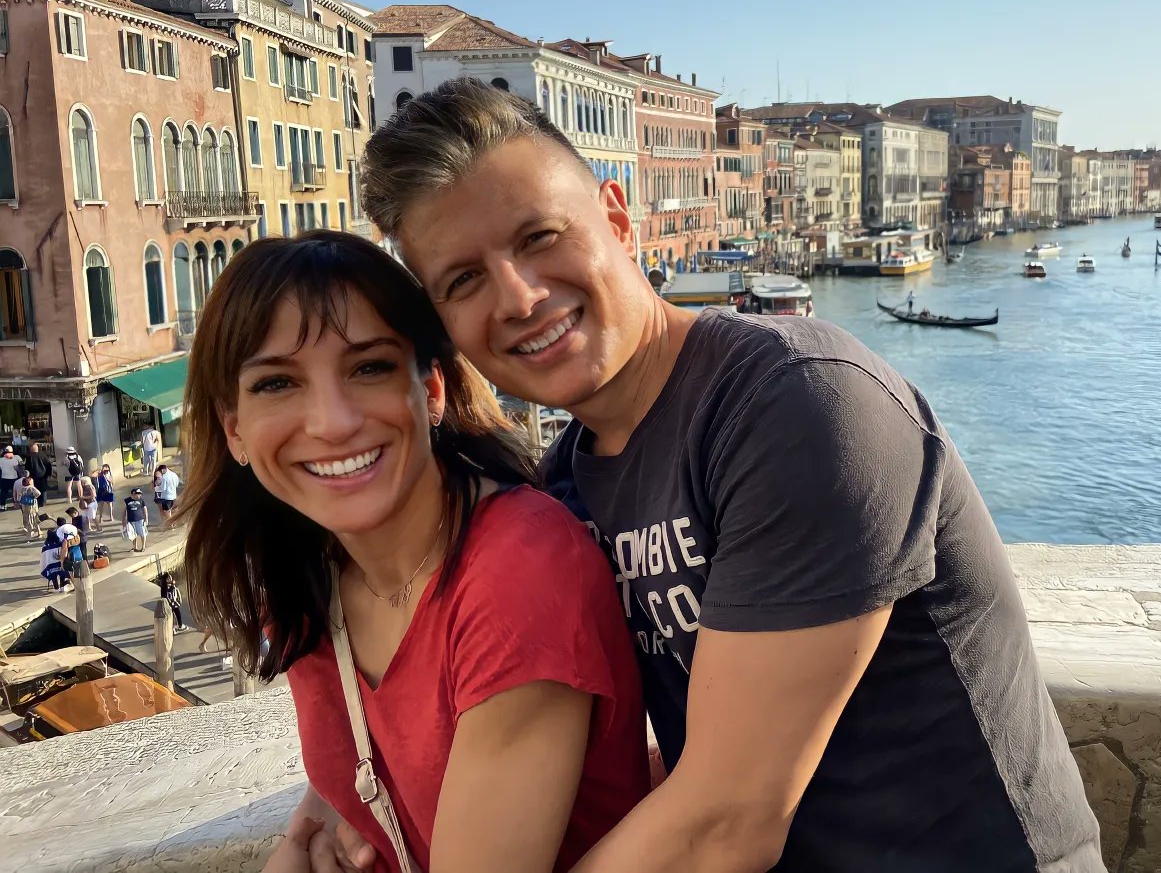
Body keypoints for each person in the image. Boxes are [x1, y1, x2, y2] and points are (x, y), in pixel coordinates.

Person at [353, 79, 1104, 872]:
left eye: (539, 236)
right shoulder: (564, 486)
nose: (520, 296)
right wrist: (346, 798)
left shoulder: (800, 405)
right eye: (463, 280)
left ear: (616, 217)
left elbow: (726, 822)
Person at [181, 231, 648, 873]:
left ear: (431, 392)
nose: (333, 422)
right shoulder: (310, 571)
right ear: (234, 430)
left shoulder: (520, 572)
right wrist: (311, 825)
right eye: (277, 384)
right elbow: (372, 744)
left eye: (368, 367)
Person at [39, 526, 70, 593]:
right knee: (62, 573)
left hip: (51, 563)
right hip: (60, 562)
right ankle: (62, 587)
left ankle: (56, 588)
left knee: (53, 575)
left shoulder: (46, 546)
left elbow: (44, 557)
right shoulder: (60, 542)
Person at [0, 443, 20, 511]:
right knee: (15, 492)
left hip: (4, 478)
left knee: (4, 493)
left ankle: (3, 505)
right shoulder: (16, 457)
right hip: (14, 478)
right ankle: (16, 504)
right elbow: (19, 466)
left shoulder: (1, 460)